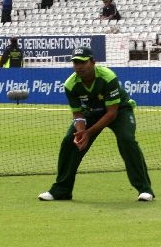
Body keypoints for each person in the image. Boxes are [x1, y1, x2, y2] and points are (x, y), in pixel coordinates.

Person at [38, 46, 154, 202]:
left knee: (126, 139)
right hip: (91, 112)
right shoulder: (70, 85)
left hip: (119, 110)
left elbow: (111, 113)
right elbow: (78, 114)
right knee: (69, 142)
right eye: (75, 63)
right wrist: (80, 133)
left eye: (82, 62)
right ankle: (62, 190)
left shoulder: (107, 77)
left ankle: (145, 189)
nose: (78, 66)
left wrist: (88, 133)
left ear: (93, 62)